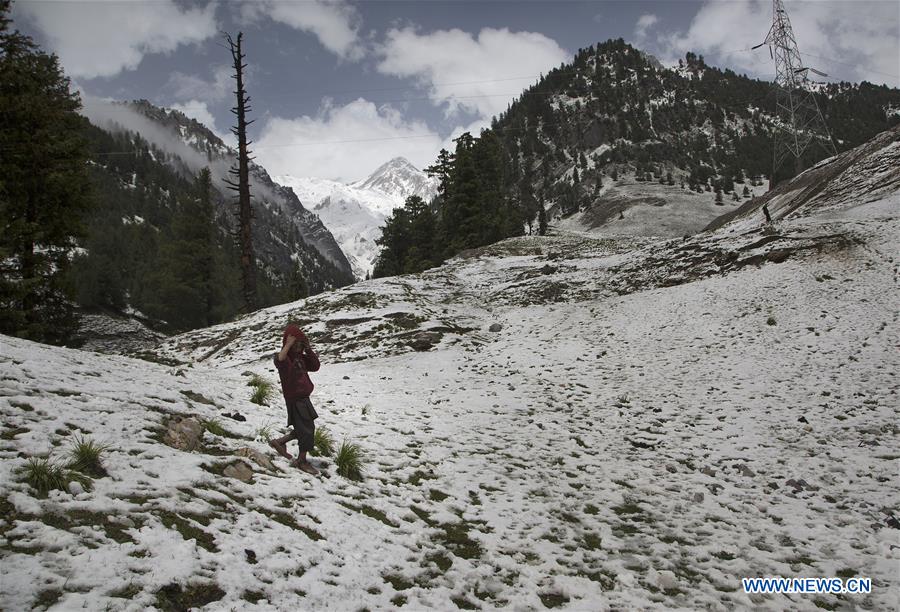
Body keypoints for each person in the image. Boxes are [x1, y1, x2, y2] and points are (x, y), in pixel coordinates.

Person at [269, 324, 321, 475]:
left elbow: (315, 365)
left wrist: (308, 348)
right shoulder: (285, 359)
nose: (298, 347)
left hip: (303, 397)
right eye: (296, 344)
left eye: (300, 345)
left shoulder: (300, 358)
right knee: (306, 428)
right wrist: (288, 344)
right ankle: (302, 461)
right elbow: (280, 358)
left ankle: (279, 442)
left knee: (303, 427)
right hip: (295, 399)